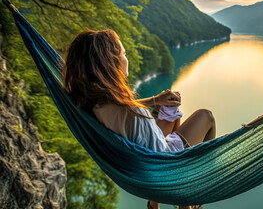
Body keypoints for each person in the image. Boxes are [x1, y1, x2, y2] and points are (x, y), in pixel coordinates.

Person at [62, 29, 216, 209]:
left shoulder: (89, 103)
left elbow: (122, 108)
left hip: (138, 165)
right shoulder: (136, 115)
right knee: (206, 116)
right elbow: (159, 153)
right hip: (163, 169)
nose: (126, 59)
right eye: (123, 54)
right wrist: (152, 110)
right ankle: (193, 195)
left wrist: (155, 101)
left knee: (169, 107)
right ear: (112, 63)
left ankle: (154, 202)